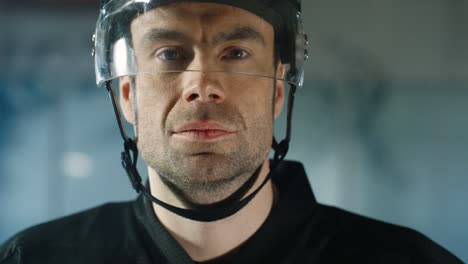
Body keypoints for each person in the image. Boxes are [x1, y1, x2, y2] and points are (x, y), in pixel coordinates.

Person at [0, 0, 463, 263]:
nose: (202, 86)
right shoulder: (37, 258)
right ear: (127, 96)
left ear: (279, 91)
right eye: (168, 54)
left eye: (237, 53)